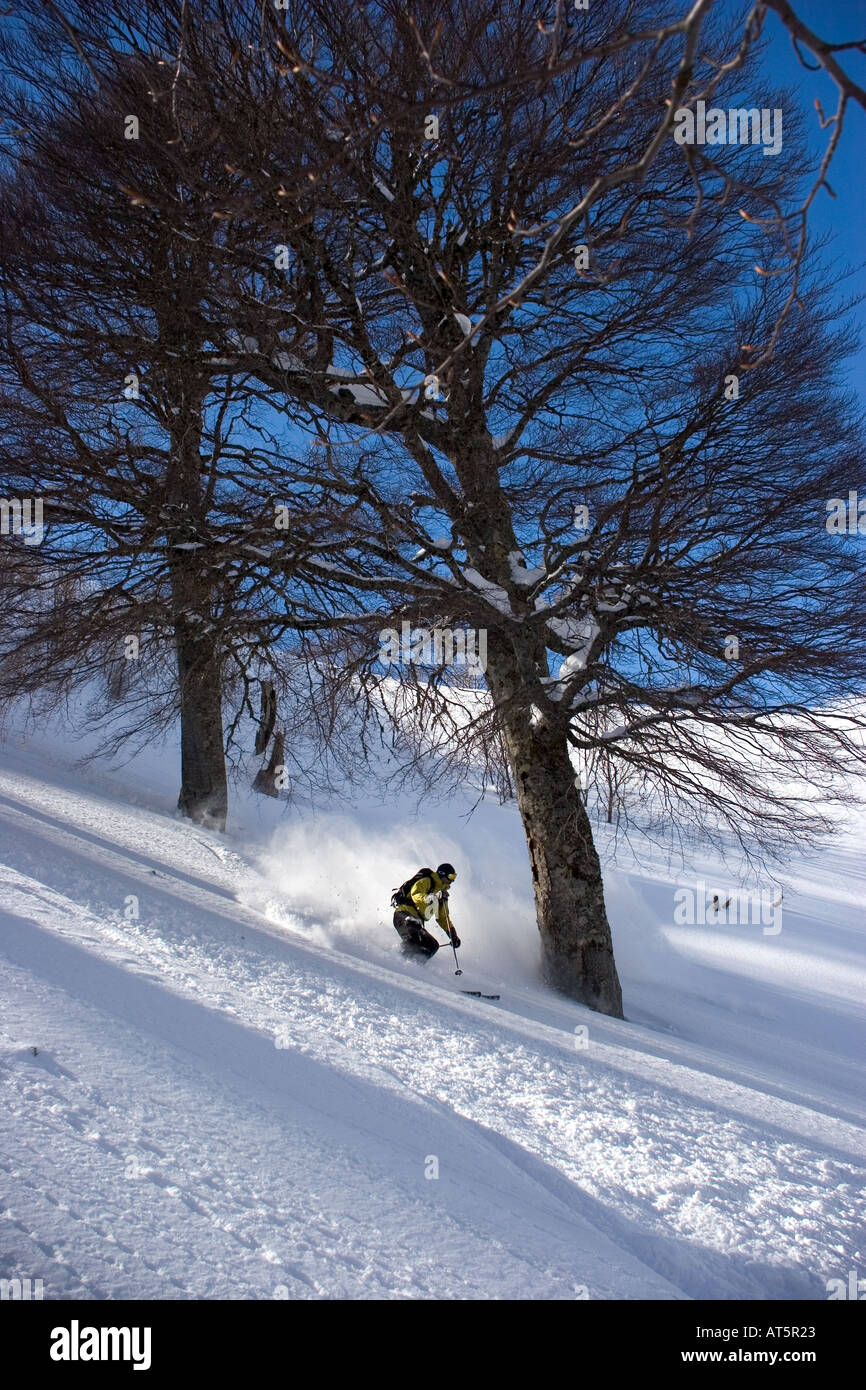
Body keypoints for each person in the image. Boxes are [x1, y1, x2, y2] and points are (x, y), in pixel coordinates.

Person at [392, 863, 461, 961]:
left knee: (432, 946)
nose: (452, 880)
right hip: (404, 915)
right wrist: (434, 897)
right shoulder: (428, 881)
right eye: (451, 876)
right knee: (412, 941)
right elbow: (416, 895)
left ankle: (413, 966)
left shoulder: (443, 895)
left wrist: (453, 935)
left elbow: (442, 917)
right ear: (442, 874)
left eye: (454, 877)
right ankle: (396, 961)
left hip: (417, 922)